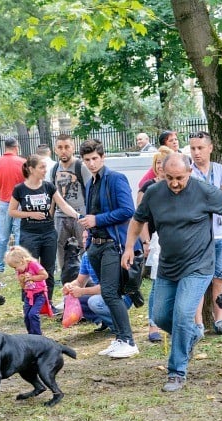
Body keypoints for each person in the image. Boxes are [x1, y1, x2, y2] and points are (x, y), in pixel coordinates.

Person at [122, 153, 222, 392]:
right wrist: (129, 247)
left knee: (181, 315)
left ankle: (176, 371)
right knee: (160, 315)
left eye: (179, 178)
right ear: (162, 174)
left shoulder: (203, 191)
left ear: (190, 172)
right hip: (169, 265)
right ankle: (192, 335)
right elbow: (137, 220)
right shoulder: (154, 193)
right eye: (169, 178)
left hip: (198, 266)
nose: (175, 183)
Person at [79, 139, 139, 359]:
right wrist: (89, 237)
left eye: (95, 158)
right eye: (87, 160)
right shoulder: (90, 183)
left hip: (114, 244)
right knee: (108, 292)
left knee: (111, 293)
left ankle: (129, 341)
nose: (92, 163)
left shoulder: (115, 179)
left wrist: (97, 220)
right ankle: (120, 338)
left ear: (103, 157)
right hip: (96, 244)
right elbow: (90, 215)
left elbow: (128, 210)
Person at [189, 130, 222, 335]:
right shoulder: (188, 172)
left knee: (221, 278)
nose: (196, 152)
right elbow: (192, 201)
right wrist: (217, 198)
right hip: (199, 235)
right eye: (192, 148)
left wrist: (210, 199)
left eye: (200, 148)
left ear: (210, 148)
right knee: (199, 278)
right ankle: (198, 323)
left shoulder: (221, 170)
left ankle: (219, 320)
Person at [137, 147, 173, 343]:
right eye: (158, 162)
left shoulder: (175, 185)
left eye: (164, 162)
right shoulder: (148, 187)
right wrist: (145, 241)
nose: (160, 166)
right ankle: (153, 324)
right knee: (157, 283)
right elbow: (139, 218)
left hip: (173, 240)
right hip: (155, 240)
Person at [10, 155, 58, 300]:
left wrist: (78, 216)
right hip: (29, 234)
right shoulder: (20, 189)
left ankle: (47, 301)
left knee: (48, 269)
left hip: (49, 233)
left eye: (45, 167)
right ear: (31, 169)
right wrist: (30, 214)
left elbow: (62, 204)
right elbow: (11, 211)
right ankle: (28, 300)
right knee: (28, 267)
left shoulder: (49, 186)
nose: (45, 170)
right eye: (41, 167)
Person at [62, 252, 133, 331]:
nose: (85, 241)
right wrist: (69, 286)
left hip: (121, 296)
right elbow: (80, 282)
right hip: (103, 294)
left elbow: (107, 287)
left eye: (88, 239)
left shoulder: (109, 254)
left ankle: (120, 327)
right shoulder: (86, 256)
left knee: (94, 302)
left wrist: (82, 291)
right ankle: (105, 320)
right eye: (84, 238)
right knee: (69, 298)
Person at [50, 134, 88, 275]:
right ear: (55, 150)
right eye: (60, 147)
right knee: (61, 247)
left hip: (80, 215)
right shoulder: (54, 169)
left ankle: (86, 275)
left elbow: (90, 191)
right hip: (60, 216)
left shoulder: (81, 167)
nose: (63, 150)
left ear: (73, 148)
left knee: (83, 246)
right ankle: (65, 274)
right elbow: (53, 195)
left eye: (67, 147)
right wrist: (50, 215)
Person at [0, 137, 26, 275]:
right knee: (18, 235)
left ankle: (0, 266)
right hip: (20, 203)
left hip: (4, 202)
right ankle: (19, 265)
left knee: (3, 237)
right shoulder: (23, 163)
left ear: (4, 147)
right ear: (16, 147)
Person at [4, 246, 52, 335]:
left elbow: (45, 275)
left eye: (15, 267)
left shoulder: (33, 264)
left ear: (22, 261)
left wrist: (32, 277)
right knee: (26, 316)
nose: (16, 270)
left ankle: (37, 335)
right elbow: (23, 287)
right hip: (29, 295)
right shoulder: (20, 272)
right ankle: (31, 334)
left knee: (33, 314)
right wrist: (22, 281)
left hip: (39, 294)